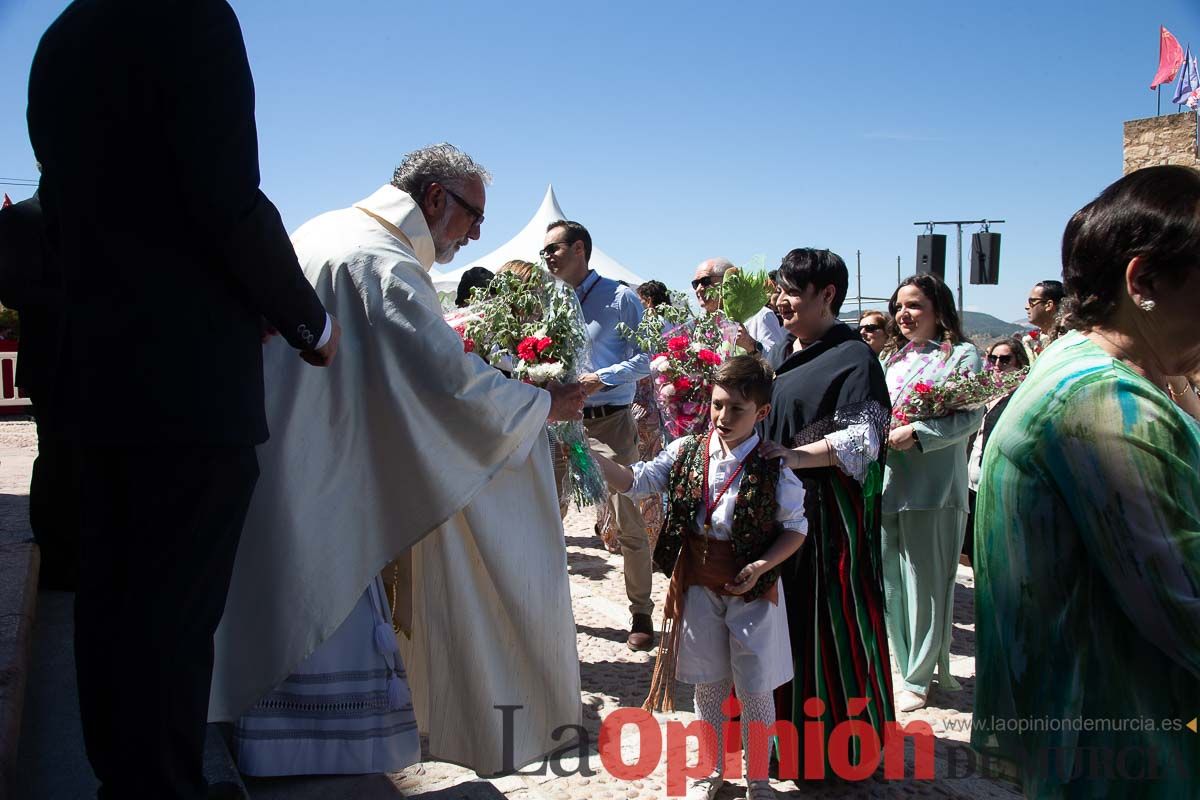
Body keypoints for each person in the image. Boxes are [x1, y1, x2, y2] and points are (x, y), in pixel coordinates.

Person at [26, 1, 341, 794]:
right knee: (173, 617)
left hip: (91, 376)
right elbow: (226, 196)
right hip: (186, 384)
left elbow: (71, 209)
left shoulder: (63, 34)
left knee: (108, 607)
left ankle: (124, 780)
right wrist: (307, 321)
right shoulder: (190, 16)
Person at [210, 145, 585, 777]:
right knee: (321, 625)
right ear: (435, 198)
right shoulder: (380, 261)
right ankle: (310, 760)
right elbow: (446, 384)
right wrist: (540, 404)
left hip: (295, 451)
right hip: (328, 476)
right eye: (474, 217)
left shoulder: (326, 228)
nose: (476, 234)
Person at [973, 165, 1200, 799]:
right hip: (1132, 749)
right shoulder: (1101, 402)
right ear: (1145, 280)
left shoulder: (1095, 374)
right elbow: (1187, 601)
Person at [597, 355, 807, 800]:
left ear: (762, 413)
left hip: (753, 589)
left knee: (754, 687)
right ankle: (709, 770)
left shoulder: (774, 466)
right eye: (716, 405)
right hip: (698, 583)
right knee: (709, 684)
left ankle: (758, 779)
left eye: (736, 409)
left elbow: (795, 529)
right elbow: (636, 480)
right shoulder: (687, 450)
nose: (722, 417)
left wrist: (761, 567)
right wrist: (592, 454)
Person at [758, 248, 895, 776]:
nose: (780, 301)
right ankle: (781, 744)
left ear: (827, 296)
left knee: (824, 629)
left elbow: (864, 435)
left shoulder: (854, 356)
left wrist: (795, 456)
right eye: (779, 290)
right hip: (781, 515)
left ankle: (838, 755)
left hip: (826, 525)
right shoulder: (786, 352)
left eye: (791, 291)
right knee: (780, 629)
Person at [542, 220, 656, 650]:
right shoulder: (550, 300)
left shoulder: (621, 297)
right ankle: (548, 609)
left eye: (553, 249)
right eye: (544, 251)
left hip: (608, 420)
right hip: (557, 422)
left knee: (628, 515)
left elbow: (649, 357)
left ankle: (641, 611)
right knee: (546, 514)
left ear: (579, 250)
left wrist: (600, 378)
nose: (547, 257)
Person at [880, 273, 983, 712]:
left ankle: (919, 677)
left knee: (925, 585)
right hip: (887, 483)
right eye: (900, 306)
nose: (904, 314)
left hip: (934, 487)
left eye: (915, 305)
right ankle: (901, 665)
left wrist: (918, 432)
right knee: (890, 585)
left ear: (940, 310)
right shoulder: (891, 358)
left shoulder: (961, 356)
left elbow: (968, 418)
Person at [0, 190, 81, 592]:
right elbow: (11, 290)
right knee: (56, 458)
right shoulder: (19, 220)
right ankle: (56, 559)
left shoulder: (99, 213)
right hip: (52, 359)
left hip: (106, 363)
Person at [962, 336, 1028, 567]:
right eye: (993, 358)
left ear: (1019, 363)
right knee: (973, 548)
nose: (997, 365)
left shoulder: (1021, 397)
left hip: (997, 485)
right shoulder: (985, 394)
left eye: (1005, 359)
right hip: (970, 483)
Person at [693, 257, 774, 353]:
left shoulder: (760, 316)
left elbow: (777, 359)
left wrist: (750, 344)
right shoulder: (703, 326)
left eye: (705, 281)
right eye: (695, 284)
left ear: (729, 279)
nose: (698, 289)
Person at [1021, 279, 1065, 360]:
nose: (1027, 307)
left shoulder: (1068, 339)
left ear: (1048, 305)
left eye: (1032, 301)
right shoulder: (1030, 341)